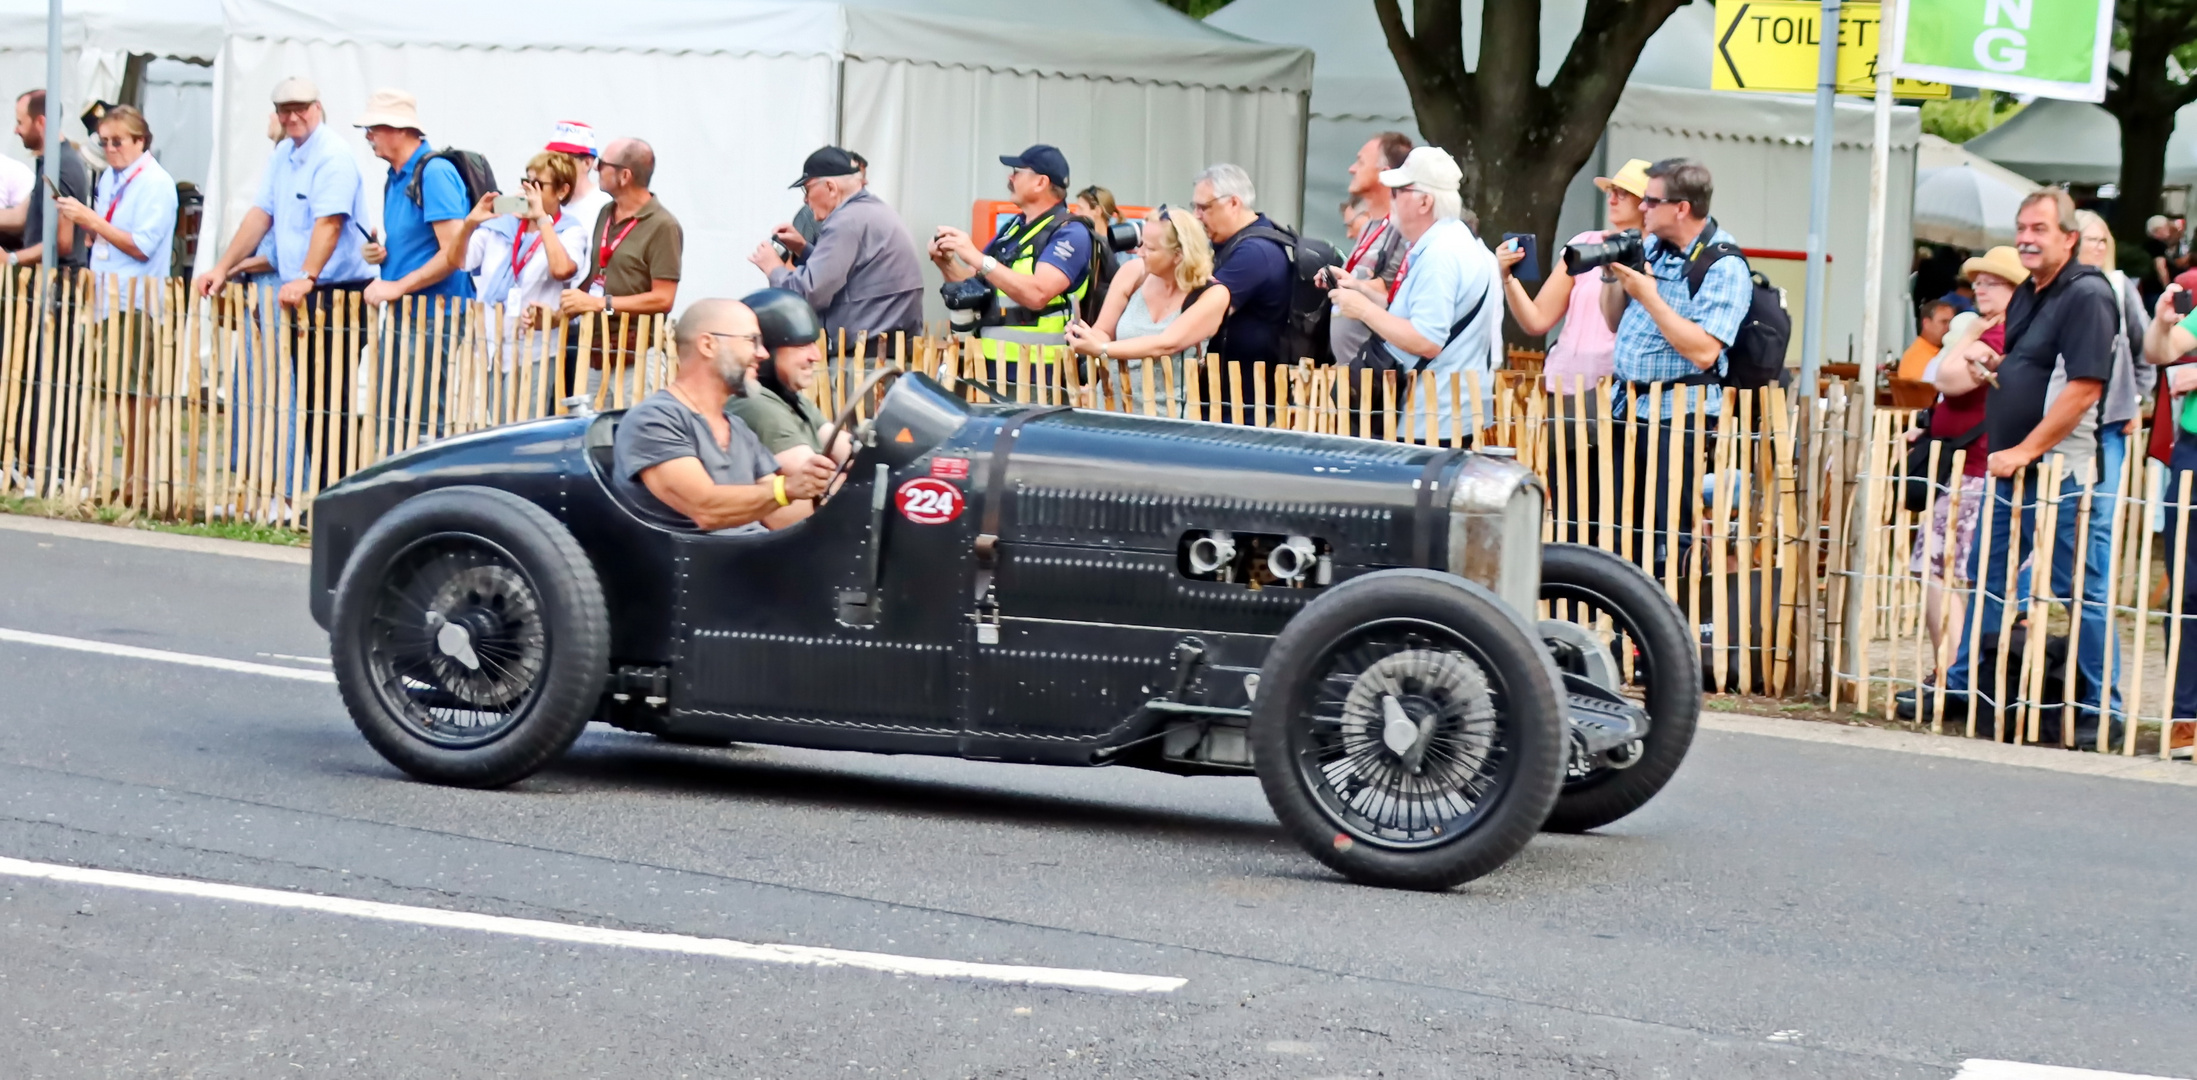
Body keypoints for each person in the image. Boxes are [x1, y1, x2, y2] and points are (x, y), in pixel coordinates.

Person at [1932, 190, 2118, 744]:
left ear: (2069, 238)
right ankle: (1976, 693)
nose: (2027, 238)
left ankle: (2095, 711)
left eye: (2040, 228)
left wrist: (2027, 450)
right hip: (2015, 467)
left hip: (2064, 469)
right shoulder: (2030, 295)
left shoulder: (2087, 295)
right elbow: (2032, 365)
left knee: (2078, 589)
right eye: (2022, 228)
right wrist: (1999, 365)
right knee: (1990, 580)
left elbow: (2084, 389)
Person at [1598, 157, 1752, 570]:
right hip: (1626, 407)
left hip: (1677, 413)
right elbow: (1614, 321)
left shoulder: (1724, 264)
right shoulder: (1652, 247)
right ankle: (1622, 628)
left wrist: (1648, 294)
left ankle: (1669, 621)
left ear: (1681, 208)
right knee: (1620, 527)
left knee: (1667, 533)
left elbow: (1704, 350)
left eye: (1650, 201)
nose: (1642, 208)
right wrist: (1614, 274)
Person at [1894, 248, 2022, 721]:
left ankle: (1953, 674)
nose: (1980, 289)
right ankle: (1953, 671)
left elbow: (1947, 375)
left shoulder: (2003, 332)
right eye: (1980, 281)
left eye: (1993, 282)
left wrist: (1962, 343)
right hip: (1967, 464)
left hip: (1979, 466)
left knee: (1942, 568)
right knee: (1944, 568)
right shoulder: (1983, 330)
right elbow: (1943, 378)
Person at [611, 297, 836, 533]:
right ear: (708, 345)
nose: (763, 354)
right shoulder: (653, 421)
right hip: (704, 566)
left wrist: (821, 487)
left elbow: (786, 519)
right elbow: (704, 508)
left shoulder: (737, 429)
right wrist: (787, 489)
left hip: (755, 560)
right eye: (753, 341)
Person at [1326, 146, 1499, 444]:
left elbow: (1427, 339)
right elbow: (1411, 313)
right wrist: (1360, 291)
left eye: (1397, 191)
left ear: (1424, 202)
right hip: (1440, 414)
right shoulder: (1450, 242)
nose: (1389, 197)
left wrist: (1363, 310)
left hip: (1431, 420)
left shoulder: (1440, 255)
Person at [51, 104, 177, 504]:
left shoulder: (156, 183)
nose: (109, 148)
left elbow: (141, 245)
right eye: (104, 141)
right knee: (118, 392)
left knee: (134, 394)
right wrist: (94, 232)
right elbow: (109, 233)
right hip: (108, 297)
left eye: (117, 141)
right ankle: (128, 476)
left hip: (136, 299)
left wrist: (92, 222)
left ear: (141, 141)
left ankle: (139, 478)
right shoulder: (111, 177)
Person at [928, 144, 1095, 375]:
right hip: (989, 365)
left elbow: (1038, 294)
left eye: (1017, 171)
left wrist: (976, 257)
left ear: (1041, 182)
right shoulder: (1014, 227)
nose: (1010, 177)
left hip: (1041, 373)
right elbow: (974, 286)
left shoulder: (1070, 232)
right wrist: (945, 261)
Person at [748, 146, 923, 353]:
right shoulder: (872, 211)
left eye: (807, 189)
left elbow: (807, 295)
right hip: (888, 349)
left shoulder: (846, 221)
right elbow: (851, 274)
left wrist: (773, 267)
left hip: (866, 358)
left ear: (830, 187)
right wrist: (803, 249)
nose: (805, 199)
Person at [1501, 156, 1649, 395]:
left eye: (1623, 193)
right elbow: (1537, 320)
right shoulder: (1585, 243)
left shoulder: (1657, 255)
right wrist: (1508, 278)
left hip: (1615, 391)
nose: (1611, 199)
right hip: (1560, 384)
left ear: (1646, 204)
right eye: (1611, 190)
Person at [441, 150, 588, 385]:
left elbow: (562, 270)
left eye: (538, 185)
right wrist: (470, 223)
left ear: (562, 191)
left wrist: (541, 218)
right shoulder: (502, 223)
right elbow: (458, 260)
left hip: (534, 352)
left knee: (527, 420)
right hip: (490, 347)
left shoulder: (569, 231)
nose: (530, 190)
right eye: (527, 182)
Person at [1065, 205, 1231, 412]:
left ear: (1178, 255)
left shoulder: (1213, 294)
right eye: (1141, 243)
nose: (1140, 253)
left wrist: (1102, 350)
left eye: (1150, 249)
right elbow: (1104, 331)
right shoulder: (1133, 273)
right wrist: (1085, 335)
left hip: (1168, 419)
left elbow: (1166, 344)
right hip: (1109, 408)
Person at [557, 137, 681, 401]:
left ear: (625, 175)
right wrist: (562, 312)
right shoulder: (606, 212)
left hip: (636, 352)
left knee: (631, 435)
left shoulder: (663, 226)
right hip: (597, 349)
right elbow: (596, 275)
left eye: (603, 164)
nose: (596, 169)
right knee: (592, 433)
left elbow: (663, 299)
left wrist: (601, 303)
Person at [355, 90, 473, 310]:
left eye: (373, 129)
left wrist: (398, 286)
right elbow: (417, 245)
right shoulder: (395, 177)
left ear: (399, 129)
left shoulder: (435, 173)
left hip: (438, 316)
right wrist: (380, 254)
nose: (367, 136)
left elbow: (454, 252)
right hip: (410, 312)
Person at [728, 288, 848, 466]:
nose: (816, 356)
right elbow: (814, 480)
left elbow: (846, 450)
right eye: (801, 346)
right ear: (763, 350)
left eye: (813, 344)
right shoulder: (753, 402)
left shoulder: (789, 399)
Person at [1193, 162, 1293, 373]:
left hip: (1245, 394)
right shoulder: (1239, 240)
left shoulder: (1254, 252)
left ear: (1233, 203)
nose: (1196, 215)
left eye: (1204, 207)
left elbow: (1199, 315)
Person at [1327, 132, 1414, 366]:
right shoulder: (1369, 227)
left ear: (1384, 174)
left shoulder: (1401, 231)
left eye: (1361, 161)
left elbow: (1390, 294)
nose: (1351, 168)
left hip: (1375, 378)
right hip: (1351, 373)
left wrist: (1354, 285)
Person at [0, 89, 89, 271]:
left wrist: (12, 258)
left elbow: (63, 242)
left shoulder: (61, 167)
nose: (16, 130)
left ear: (41, 122)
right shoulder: (50, 162)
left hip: (57, 283)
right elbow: (21, 216)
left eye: (20, 123)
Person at [784, 150, 865, 263]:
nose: (806, 199)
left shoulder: (866, 220)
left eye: (861, 179)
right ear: (831, 186)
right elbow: (791, 264)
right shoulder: (809, 214)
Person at [545, 120, 610, 230]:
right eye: (550, 158)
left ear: (587, 163)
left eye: (563, 159)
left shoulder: (604, 205)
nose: (554, 165)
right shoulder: (544, 199)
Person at [1897, 300, 1956, 381]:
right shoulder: (1917, 356)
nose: (1949, 327)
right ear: (1926, 323)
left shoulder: (1940, 351)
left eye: (1951, 322)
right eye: (1943, 322)